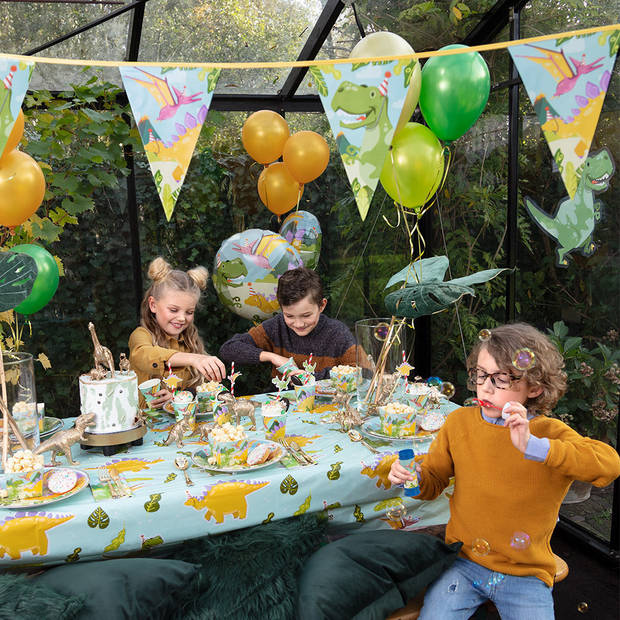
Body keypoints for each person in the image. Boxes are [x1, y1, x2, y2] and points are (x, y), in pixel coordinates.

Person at [388, 322, 620, 620]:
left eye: (501, 379)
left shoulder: (547, 433)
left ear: (534, 387)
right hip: (463, 561)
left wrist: (534, 446)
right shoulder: (459, 423)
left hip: (526, 573)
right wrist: (414, 477)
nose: (485, 386)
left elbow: (609, 464)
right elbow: (432, 481)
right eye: (482, 374)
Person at [219, 266, 356, 380]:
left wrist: (311, 377)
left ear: (322, 306)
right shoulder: (276, 327)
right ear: (281, 308)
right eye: (289, 316)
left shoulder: (338, 333)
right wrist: (272, 357)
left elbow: (361, 372)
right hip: (281, 405)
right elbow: (229, 349)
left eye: (306, 315)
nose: (298, 324)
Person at [129, 257, 226, 408]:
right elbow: (143, 355)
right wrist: (193, 359)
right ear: (153, 305)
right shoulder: (141, 335)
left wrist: (178, 397)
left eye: (189, 312)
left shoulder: (191, 343)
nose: (181, 318)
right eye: (173, 310)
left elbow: (202, 390)